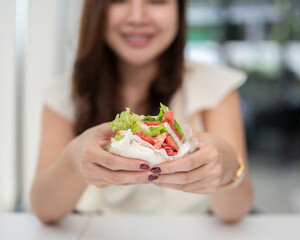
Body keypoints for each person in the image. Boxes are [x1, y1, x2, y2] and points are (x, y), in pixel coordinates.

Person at [30, 0, 253, 224]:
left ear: (179, 10)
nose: (137, 17)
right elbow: (44, 210)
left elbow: (235, 212)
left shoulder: (216, 89)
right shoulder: (63, 96)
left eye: (156, 1)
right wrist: (74, 158)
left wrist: (229, 166)